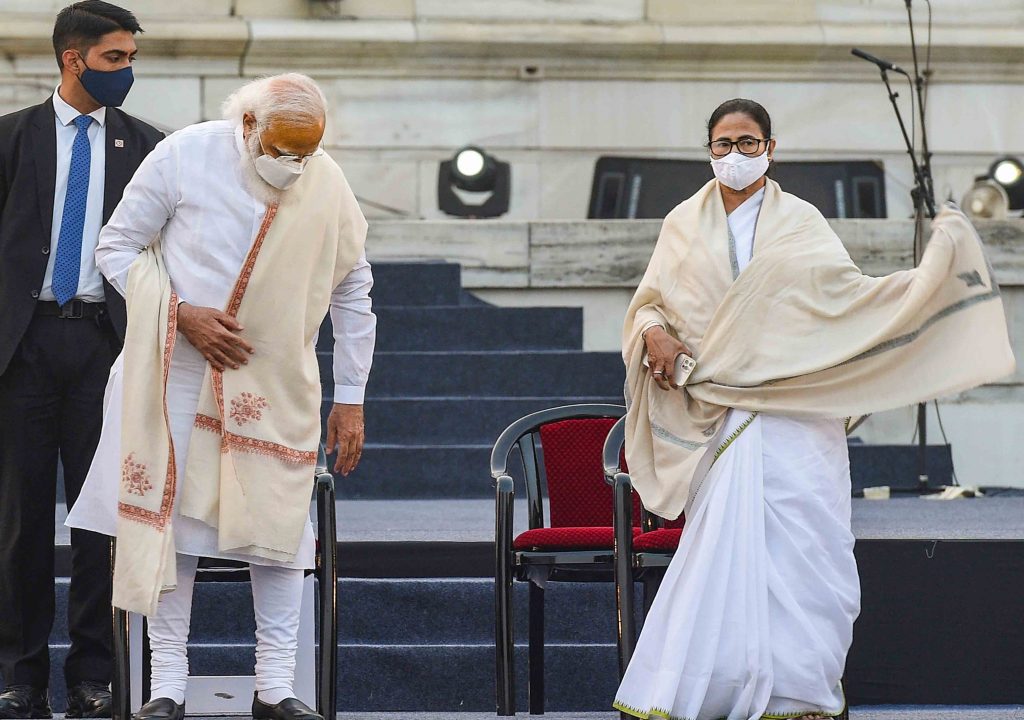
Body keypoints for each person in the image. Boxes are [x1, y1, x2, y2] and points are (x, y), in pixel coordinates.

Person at [614, 98, 1015, 720]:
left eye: (749, 144)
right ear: (708, 151)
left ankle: (798, 696)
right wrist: (652, 332)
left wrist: (923, 281)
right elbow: (651, 303)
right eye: (724, 144)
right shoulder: (680, 223)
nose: (736, 156)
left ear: (771, 149)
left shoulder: (801, 221)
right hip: (720, 411)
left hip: (798, 412)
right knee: (724, 552)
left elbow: (843, 304)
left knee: (807, 552)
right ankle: (711, 690)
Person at [64, 73, 375, 720]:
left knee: (282, 530)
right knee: (174, 532)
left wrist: (351, 395)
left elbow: (352, 287)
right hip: (179, 371)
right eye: (282, 150)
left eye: (306, 153)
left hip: (275, 381)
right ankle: (167, 686)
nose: (293, 166)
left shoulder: (326, 181)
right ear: (247, 125)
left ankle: (276, 687)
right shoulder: (185, 155)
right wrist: (182, 315)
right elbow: (115, 248)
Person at [0, 3, 162, 717]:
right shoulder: (9, 139)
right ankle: (19, 672)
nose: (127, 71)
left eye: (130, 58)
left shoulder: (150, 147)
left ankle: (94, 674)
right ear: (73, 58)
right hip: (23, 347)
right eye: (115, 59)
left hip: (107, 345)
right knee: (20, 520)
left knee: (102, 521)